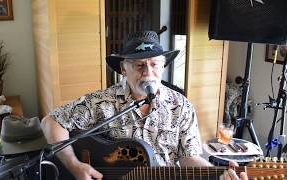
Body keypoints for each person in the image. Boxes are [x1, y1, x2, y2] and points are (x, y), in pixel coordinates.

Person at [41, 31, 247, 180]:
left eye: (154, 64)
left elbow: (189, 158)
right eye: (139, 65)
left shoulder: (181, 106)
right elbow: (51, 122)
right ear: (123, 68)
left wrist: (217, 173)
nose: (148, 72)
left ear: (163, 66)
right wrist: (75, 165)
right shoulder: (102, 102)